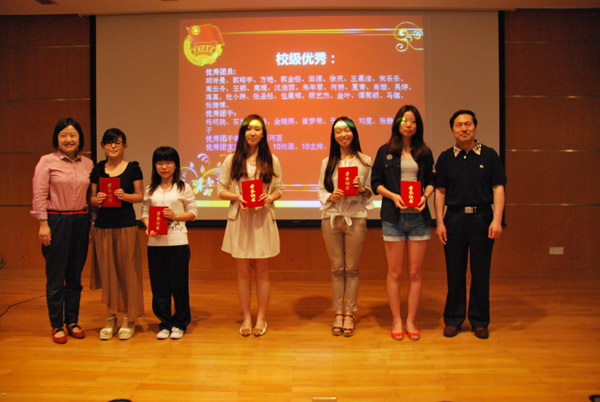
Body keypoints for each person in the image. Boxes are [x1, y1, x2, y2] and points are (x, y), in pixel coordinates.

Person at [434, 110, 506, 340]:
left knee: (481, 271)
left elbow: (498, 188)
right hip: (454, 220)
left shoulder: (489, 155)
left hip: (482, 218)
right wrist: (439, 222)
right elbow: (440, 191)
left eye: (468, 124)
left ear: (475, 127)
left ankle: (479, 321)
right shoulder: (445, 158)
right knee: (454, 271)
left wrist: (497, 219)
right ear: (452, 130)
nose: (464, 128)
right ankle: (453, 319)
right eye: (459, 125)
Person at [371, 105, 435, 341]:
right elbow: (375, 182)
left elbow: (432, 180)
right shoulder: (385, 151)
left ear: (418, 125)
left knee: (415, 273)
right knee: (395, 273)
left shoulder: (424, 152)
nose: (408, 125)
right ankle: (397, 319)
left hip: (418, 218)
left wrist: (425, 196)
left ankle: (411, 320)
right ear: (397, 123)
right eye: (404, 120)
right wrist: (393, 196)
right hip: (394, 217)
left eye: (413, 121)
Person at [218, 114, 282, 337]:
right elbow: (221, 190)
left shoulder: (272, 159)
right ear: (242, 133)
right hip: (241, 219)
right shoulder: (232, 159)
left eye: (257, 129)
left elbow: (279, 190)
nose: (252, 133)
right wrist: (237, 197)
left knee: (262, 271)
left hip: (262, 219)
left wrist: (269, 197)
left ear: (263, 134)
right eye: (248, 129)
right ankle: (246, 316)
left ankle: (261, 318)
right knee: (243, 272)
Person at [31, 118, 94, 344]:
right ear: (56, 138)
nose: (69, 139)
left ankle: (73, 321)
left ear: (80, 138)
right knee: (56, 275)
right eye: (63, 135)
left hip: (81, 220)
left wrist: (91, 223)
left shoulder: (88, 164)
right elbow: (39, 195)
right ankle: (57, 325)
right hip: (56, 220)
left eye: (73, 135)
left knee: (75, 275)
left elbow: (90, 197)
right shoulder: (47, 161)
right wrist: (43, 223)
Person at [318, 117, 373, 337]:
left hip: (355, 218)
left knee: (351, 269)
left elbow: (370, 193)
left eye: (347, 130)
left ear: (354, 133)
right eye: (338, 131)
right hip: (331, 218)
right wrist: (331, 196)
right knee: (337, 268)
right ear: (334, 136)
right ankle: (338, 313)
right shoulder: (327, 162)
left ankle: (350, 313)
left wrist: (362, 189)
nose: (343, 135)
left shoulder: (365, 161)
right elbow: (321, 190)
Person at [90, 128, 144, 340]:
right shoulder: (98, 169)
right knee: (108, 273)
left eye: (117, 142)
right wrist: (97, 199)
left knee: (127, 272)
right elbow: (91, 199)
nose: (113, 146)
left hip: (126, 225)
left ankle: (129, 319)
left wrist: (125, 196)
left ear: (124, 146)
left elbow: (139, 196)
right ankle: (111, 317)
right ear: (103, 146)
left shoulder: (133, 168)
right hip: (103, 226)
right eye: (109, 142)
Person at [142, 146, 198, 340]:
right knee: (159, 286)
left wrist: (175, 216)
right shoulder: (150, 189)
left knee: (179, 285)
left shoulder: (183, 187)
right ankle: (165, 323)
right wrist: (148, 226)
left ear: (175, 165)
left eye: (168, 162)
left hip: (178, 242)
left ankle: (180, 323)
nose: (164, 167)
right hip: (155, 244)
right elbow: (144, 213)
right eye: (159, 163)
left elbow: (193, 213)